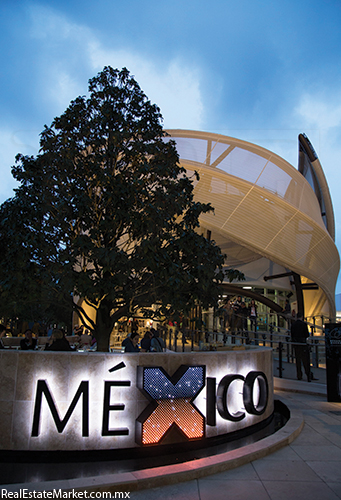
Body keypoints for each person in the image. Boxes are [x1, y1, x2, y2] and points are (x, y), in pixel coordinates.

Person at [290, 313, 311, 382]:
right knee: (305, 360)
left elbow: (292, 334)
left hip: (296, 344)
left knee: (298, 360)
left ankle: (299, 375)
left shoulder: (293, 325)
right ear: (302, 317)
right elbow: (307, 334)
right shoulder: (303, 324)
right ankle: (308, 374)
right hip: (302, 343)